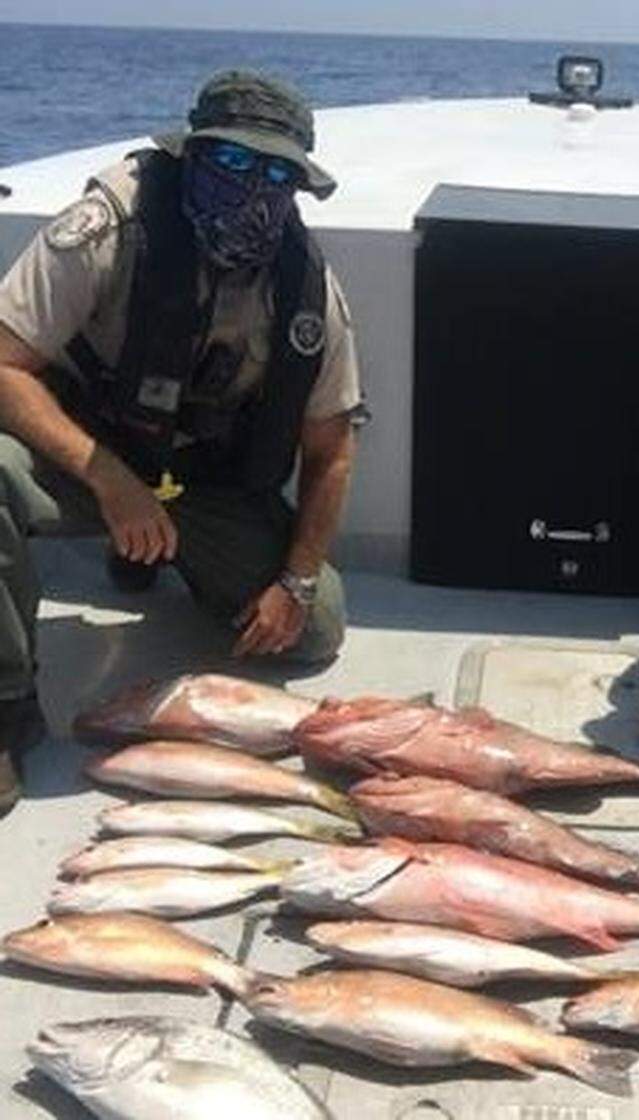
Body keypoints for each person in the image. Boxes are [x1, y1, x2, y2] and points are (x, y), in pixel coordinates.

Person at [0, 70, 363, 815]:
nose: (251, 188)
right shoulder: (109, 227)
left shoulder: (307, 290)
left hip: (198, 480)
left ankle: (167, 552)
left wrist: (293, 582)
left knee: (315, 630)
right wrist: (108, 477)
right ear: (191, 153)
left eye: (274, 174)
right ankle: (6, 701)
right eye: (231, 163)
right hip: (84, 451)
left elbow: (332, 448)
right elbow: (4, 363)